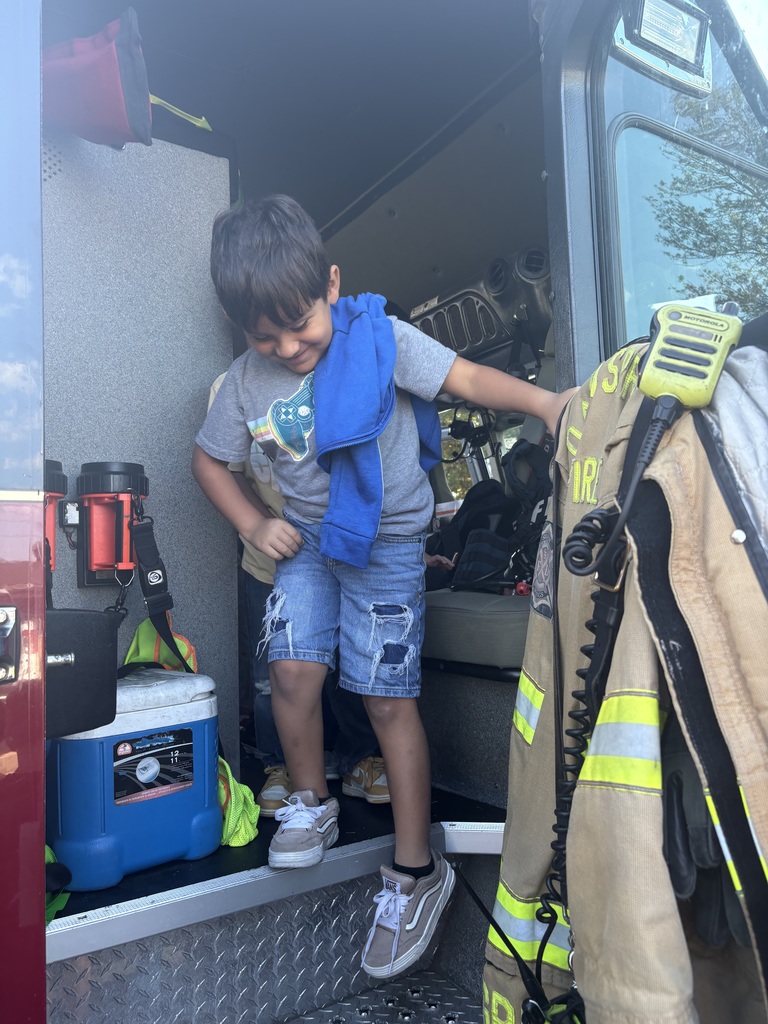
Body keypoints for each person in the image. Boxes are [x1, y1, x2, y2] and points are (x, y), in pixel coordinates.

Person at [192, 194, 574, 979]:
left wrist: (544, 403)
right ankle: (310, 801)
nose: (289, 346)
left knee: (385, 698)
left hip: (390, 547)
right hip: (308, 549)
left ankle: (413, 871)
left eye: (300, 324)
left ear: (331, 285)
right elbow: (207, 461)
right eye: (266, 335)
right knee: (291, 672)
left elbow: (463, 375)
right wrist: (252, 525)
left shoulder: (380, 340)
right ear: (242, 330)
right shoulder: (241, 383)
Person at [208, 372, 389, 816]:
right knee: (272, 675)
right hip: (269, 559)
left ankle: (359, 759)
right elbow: (224, 470)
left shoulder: (342, 367)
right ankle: (278, 766)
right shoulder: (232, 386)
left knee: (352, 663)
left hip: (346, 556)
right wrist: (258, 524)